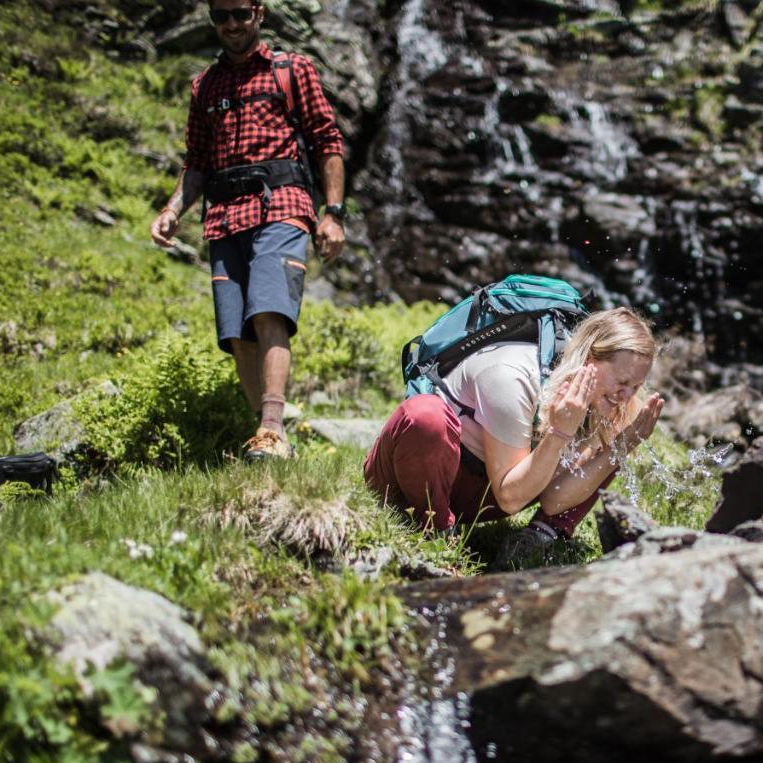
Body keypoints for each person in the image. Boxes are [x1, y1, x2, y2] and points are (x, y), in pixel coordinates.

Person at [149, 0, 347, 460]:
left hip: (281, 205)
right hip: (223, 217)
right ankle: (264, 433)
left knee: (269, 311)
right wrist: (172, 210)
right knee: (238, 331)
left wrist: (333, 212)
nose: (232, 24)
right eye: (222, 15)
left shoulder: (291, 70)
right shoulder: (205, 85)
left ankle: (274, 429)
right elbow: (197, 161)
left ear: (259, 13)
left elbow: (327, 140)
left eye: (240, 13)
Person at [364, 307, 665, 567]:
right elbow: (510, 498)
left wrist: (622, 446)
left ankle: (536, 541)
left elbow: (555, 499)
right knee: (424, 416)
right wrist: (560, 432)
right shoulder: (511, 375)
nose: (626, 395)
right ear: (589, 359)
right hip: (412, 479)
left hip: (483, 493)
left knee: (608, 449)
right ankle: (438, 535)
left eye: (636, 386)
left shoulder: (604, 398)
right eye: (623, 381)